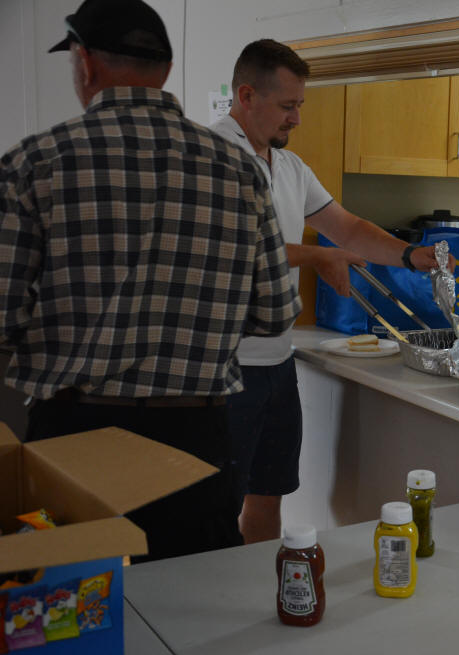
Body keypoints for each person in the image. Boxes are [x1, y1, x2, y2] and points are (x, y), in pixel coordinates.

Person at [0, 0, 302, 561]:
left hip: (74, 435)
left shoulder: (33, 163)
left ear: (85, 63)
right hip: (194, 435)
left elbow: (4, 318)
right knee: (192, 595)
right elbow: (274, 314)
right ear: (165, 69)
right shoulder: (239, 171)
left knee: (77, 597)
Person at [212, 39, 445, 544]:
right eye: (287, 106)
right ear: (246, 96)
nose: (297, 118)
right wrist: (317, 257)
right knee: (215, 508)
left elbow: (348, 228)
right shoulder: (213, 157)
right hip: (224, 368)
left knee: (268, 494)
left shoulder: (289, 167)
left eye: (300, 105)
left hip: (276, 361)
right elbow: (234, 249)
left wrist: (411, 255)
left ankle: (263, 582)